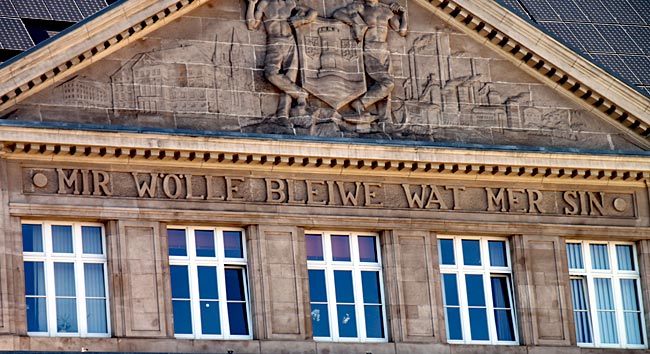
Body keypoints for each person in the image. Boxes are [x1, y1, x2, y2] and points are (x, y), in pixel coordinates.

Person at [333, 0, 408, 116]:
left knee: (386, 89)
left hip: (384, 50)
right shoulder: (360, 7)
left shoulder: (387, 10)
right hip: (369, 49)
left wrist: (404, 14)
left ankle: (385, 120)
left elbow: (402, 31)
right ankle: (360, 103)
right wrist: (354, 22)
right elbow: (337, 13)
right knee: (387, 83)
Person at [246, 0, 317, 117]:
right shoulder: (264, 4)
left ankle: (283, 113)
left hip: (290, 42)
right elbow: (252, 25)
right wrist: (251, 4)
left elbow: (313, 12)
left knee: (290, 78)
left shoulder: (290, 3)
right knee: (270, 73)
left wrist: (302, 20)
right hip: (274, 42)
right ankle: (300, 94)